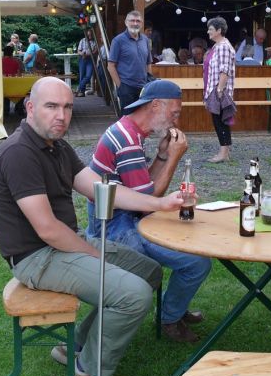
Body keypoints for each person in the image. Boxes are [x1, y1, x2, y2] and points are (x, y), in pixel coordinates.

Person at [0, 76, 186, 376]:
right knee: (134, 294)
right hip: (36, 258)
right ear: (30, 107)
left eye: (67, 107)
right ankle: (90, 372)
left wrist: (161, 203)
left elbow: (101, 190)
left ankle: (78, 345)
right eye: (52, 106)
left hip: (63, 243)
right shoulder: (19, 153)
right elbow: (47, 229)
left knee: (149, 272)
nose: (61, 115)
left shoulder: (58, 147)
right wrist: (94, 255)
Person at [86, 80, 211, 343]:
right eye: (174, 113)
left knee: (191, 253)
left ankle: (173, 308)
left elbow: (142, 189)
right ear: (155, 105)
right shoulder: (127, 140)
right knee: (196, 262)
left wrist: (162, 155)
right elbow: (148, 198)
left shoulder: (129, 131)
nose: (177, 120)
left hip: (122, 216)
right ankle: (169, 317)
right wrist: (174, 157)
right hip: (113, 227)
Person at [203, 17, 236, 163]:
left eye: (210, 29)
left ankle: (223, 154)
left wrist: (220, 90)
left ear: (219, 30)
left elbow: (224, 70)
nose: (208, 32)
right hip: (216, 89)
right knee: (220, 121)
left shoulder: (223, 47)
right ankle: (225, 153)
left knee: (220, 122)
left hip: (219, 90)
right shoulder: (218, 46)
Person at [108, 10, 152, 115]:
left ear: (141, 24)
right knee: (127, 120)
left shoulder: (145, 40)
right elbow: (110, 66)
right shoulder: (118, 41)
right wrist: (120, 86)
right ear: (126, 22)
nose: (135, 23)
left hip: (143, 88)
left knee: (143, 119)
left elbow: (148, 63)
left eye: (138, 21)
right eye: (132, 20)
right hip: (127, 87)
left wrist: (149, 82)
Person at [76, 29, 96, 97]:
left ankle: (79, 88)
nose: (90, 36)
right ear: (86, 35)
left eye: (91, 35)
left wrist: (87, 55)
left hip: (90, 59)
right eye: (88, 35)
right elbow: (78, 51)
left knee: (88, 75)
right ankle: (82, 92)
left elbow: (94, 52)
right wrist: (82, 54)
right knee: (82, 75)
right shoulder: (82, 40)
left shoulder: (94, 42)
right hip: (82, 59)